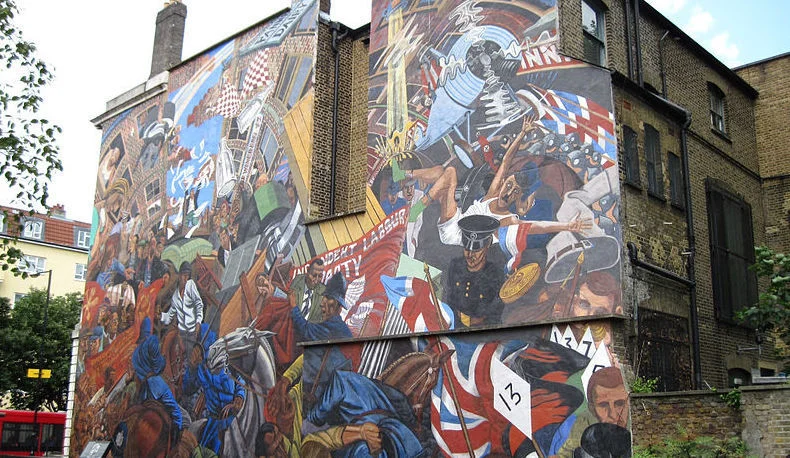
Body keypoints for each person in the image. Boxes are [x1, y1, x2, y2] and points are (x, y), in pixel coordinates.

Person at [183, 323, 245, 454]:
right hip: (214, 421)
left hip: (233, 418)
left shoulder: (226, 359)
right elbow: (188, 389)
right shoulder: (199, 369)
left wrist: (240, 396)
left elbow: (240, 379)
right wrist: (192, 369)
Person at [291, 273, 353, 401]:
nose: (321, 305)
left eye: (328, 299)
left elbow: (306, 330)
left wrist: (293, 308)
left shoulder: (334, 328)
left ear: (336, 306)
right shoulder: (339, 327)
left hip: (325, 394)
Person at [549, 367, 629, 456]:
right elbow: (565, 454)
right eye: (603, 405)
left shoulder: (640, 422)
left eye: (620, 403)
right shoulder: (584, 423)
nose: (613, 414)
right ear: (592, 408)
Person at [443, 215, 505, 327]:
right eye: (467, 249)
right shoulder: (455, 266)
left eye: (476, 249)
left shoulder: (496, 275)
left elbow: (495, 316)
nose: (470, 255)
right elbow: (448, 300)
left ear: (488, 243)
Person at [131, 318, 183, 433]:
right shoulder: (152, 343)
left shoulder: (136, 353)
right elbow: (159, 364)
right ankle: (174, 440)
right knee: (181, 417)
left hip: (144, 389)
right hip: (154, 385)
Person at [161, 261, 204, 349]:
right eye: (184, 275)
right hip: (181, 333)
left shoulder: (190, 285)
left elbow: (199, 304)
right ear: (180, 275)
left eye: (187, 275)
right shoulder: (175, 296)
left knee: (189, 356)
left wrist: (198, 322)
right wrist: (160, 316)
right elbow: (169, 316)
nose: (185, 278)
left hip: (192, 332)